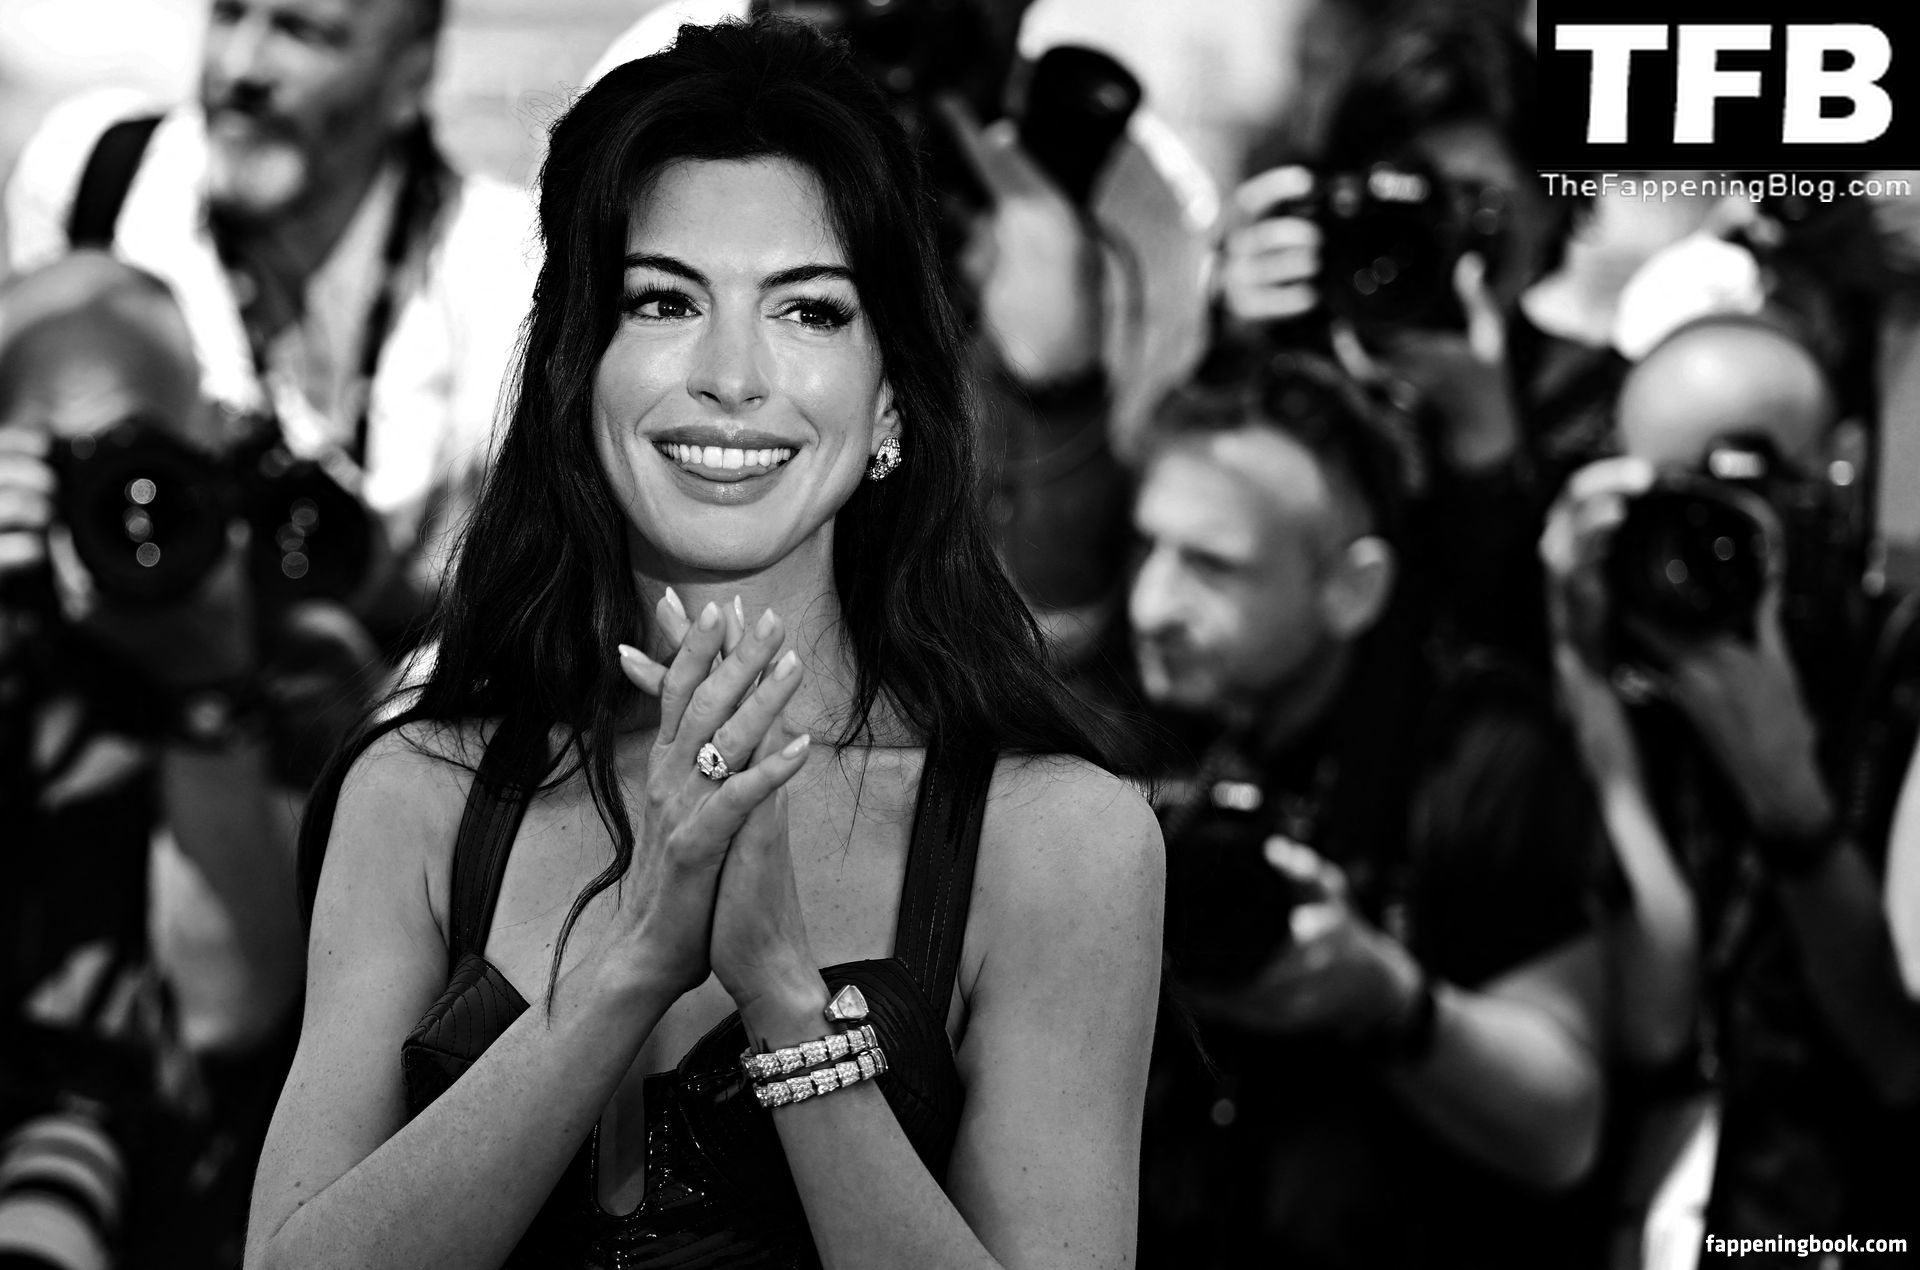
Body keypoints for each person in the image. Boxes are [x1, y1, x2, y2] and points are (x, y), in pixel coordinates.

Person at [243, 17, 1163, 1270]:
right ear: (577, 366)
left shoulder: (1061, 841)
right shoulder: (418, 794)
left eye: (810, 311)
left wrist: (784, 997)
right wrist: (631, 962)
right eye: (666, 301)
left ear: (892, 397)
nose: (733, 374)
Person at [1129, 348, 1617, 1269]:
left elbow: (1563, 1128)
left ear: (1352, 589)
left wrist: (1386, 997)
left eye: (1213, 567)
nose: (1153, 604)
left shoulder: (1477, 754)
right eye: (1146, 545)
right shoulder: (1115, 725)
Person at [1544, 313, 1920, 1264]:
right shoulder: (1631, 675)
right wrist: (1583, 673)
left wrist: (1786, 794)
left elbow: (1901, 1058)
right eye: (1665, 498)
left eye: (1738, 481)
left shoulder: (1903, 673)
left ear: (1842, 463)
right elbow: (1652, 1027)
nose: (1705, 533)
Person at [3, 0, 536, 623]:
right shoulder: (93, 176)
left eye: (301, 32)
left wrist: (391, 613)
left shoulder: (516, 275)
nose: (239, 67)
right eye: (228, 14)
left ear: (410, 74)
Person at [0, 254, 313, 1268]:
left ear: (209, 444)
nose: (123, 509)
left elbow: (229, 1011)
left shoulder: (286, 643)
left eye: (151, 459)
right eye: (69, 466)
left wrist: (211, 682)